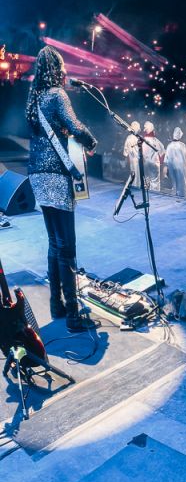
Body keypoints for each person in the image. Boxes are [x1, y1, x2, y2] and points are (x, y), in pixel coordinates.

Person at [25, 47, 98, 332]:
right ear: (57, 68)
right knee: (67, 245)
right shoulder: (57, 94)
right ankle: (72, 317)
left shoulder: (34, 98)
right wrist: (92, 142)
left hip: (37, 176)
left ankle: (57, 305)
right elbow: (75, 125)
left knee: (54, 242)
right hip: (56, 175)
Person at [163, 127, 186, 198]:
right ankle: (184, 197)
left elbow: (166, 159)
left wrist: (166, 168)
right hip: (181, 168)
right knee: (183, 183)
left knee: (174, 183)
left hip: (172, 167)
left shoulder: (169, 146)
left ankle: (175, 197)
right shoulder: (182, 145)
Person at [140, 121, 165, 191]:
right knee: (155, 181)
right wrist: (162, 163)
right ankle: (154, 197)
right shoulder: (156, 141)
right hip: (154, 163)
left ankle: (146, 196)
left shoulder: (142, 141)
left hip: (145, 163)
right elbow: (162, 153)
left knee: (146, 181)